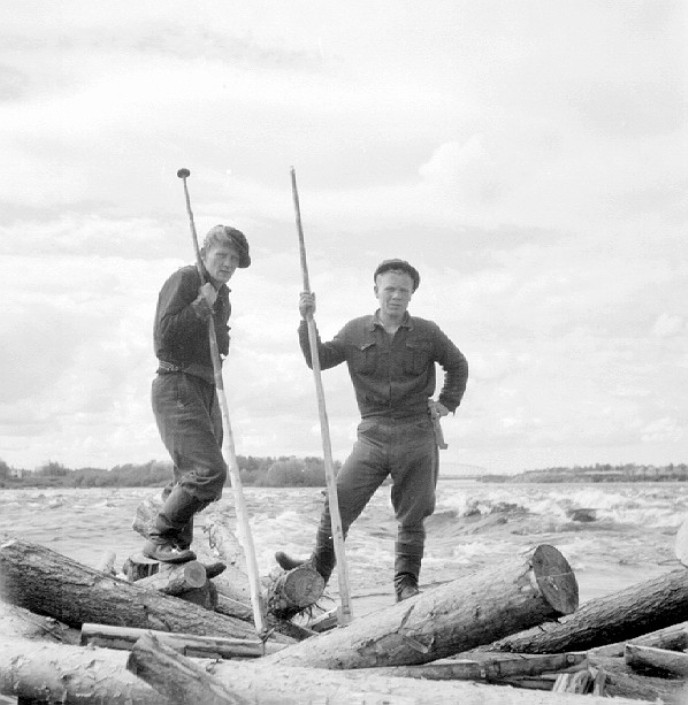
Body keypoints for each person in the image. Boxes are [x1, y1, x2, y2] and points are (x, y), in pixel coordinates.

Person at [276, 258, 468, 601]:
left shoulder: (428, 332)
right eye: (389, 289)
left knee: (414, 513)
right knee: (339, 501)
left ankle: (406, 585)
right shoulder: (355, 331)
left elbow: (458, 365)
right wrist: (307, 320)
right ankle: (316, 571)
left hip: (417, 433)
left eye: (403, 291)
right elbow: (316, 359)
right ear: (376, 291)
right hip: (372, 435)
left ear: (412, 295)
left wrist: (446, 403)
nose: (396, 296)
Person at [142, 224, 251, 563]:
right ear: (204, 254)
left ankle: (177, 548)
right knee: (209, 473)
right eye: (221, 255)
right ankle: (159, 535)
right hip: (176, 383)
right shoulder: (186, 280)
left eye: (234, 259)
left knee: (190, 474)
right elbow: (164, 336)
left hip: (204, 386)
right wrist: (200, 307)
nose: (228, 264)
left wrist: (219, 327)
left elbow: (219, 342)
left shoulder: (224, 295)